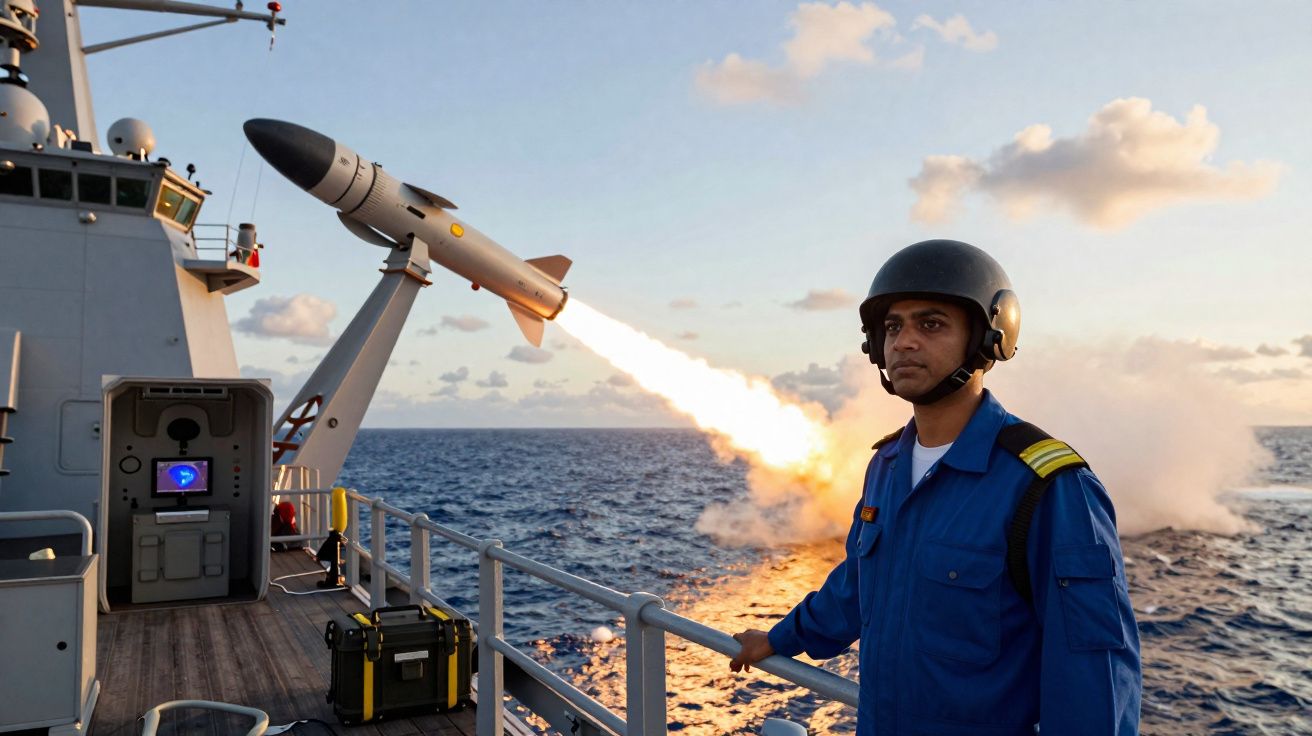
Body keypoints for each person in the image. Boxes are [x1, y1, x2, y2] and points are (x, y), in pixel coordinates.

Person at [730, 240, 1141, 735]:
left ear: (988, 339)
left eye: (931, 324)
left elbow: (1091, 671)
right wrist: (779, 638)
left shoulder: (1047, 486)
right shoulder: (886, 465)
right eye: (892, 327)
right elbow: (858, 586)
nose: (903, 342)